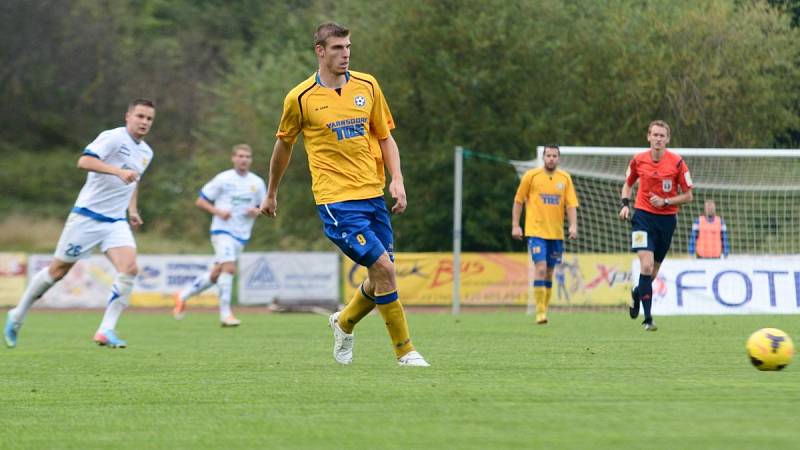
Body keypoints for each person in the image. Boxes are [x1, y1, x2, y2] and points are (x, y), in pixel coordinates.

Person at [260, 22, 429, 367]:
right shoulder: (300, 98)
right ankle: (405, 351)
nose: (346, 54)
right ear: (320, 51)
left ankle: (344, 321)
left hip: (372, 194)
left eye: (348, 47)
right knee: (383, 267)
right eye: (337, 48)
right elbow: (284, 146)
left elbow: (385, 137)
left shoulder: (368, 86)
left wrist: (397, 180)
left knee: (381, 274)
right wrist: (271, 193)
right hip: (335, 200)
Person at [4, 99, 156, 348]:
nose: (144, 122)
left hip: (115, 221)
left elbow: (134, 180)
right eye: (140, 116)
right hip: (87, 217)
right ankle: (17, 314)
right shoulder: (113, 138)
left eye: (149, 119)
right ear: (127, 116)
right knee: (57, 272)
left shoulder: (147, 152)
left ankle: (106, 329)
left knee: (129, 269)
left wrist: (132, 210)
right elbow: (84, 161)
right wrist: (117, 171)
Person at [173, 144, 266, 326]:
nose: (244, 159)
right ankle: (225, 314)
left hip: (242, 234)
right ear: (233, 158)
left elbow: (264, 207)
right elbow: (200, 201)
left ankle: (182, 295)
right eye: (240, 156)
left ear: (251, 160)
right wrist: (218, 211)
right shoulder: (223, 179)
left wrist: (257, 211)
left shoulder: (257, 183)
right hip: (222, 230)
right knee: (229, 269)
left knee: (217, 273)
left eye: (247, 156)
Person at [619, 120, 693, 331]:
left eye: (662, 136)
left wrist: (666, 201)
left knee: (651, 274)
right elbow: (628, 184)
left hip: (667, 220)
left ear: (667, 139)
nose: (658, 139)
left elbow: (689, 196)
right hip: (642, 217)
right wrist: (625, 205)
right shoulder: (638, 160)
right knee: (646, 265)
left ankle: (636, 293)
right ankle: (648, 318)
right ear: (648, 136)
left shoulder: (677, 163)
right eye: (655, 135)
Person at [511, 145, 579, 324]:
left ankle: (545, 309)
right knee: (540, 268)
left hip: (556, 234)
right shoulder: (531, 176)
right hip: (536, 232)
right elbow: (518, 200)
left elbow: (571, 204)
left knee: (549, 272)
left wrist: (573, 225)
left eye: (554, 156)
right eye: (548, 155)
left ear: (559, 158)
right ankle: (540, 312)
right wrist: (515, 225)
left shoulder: (564, 178)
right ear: (543, 157)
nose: (551, 158)